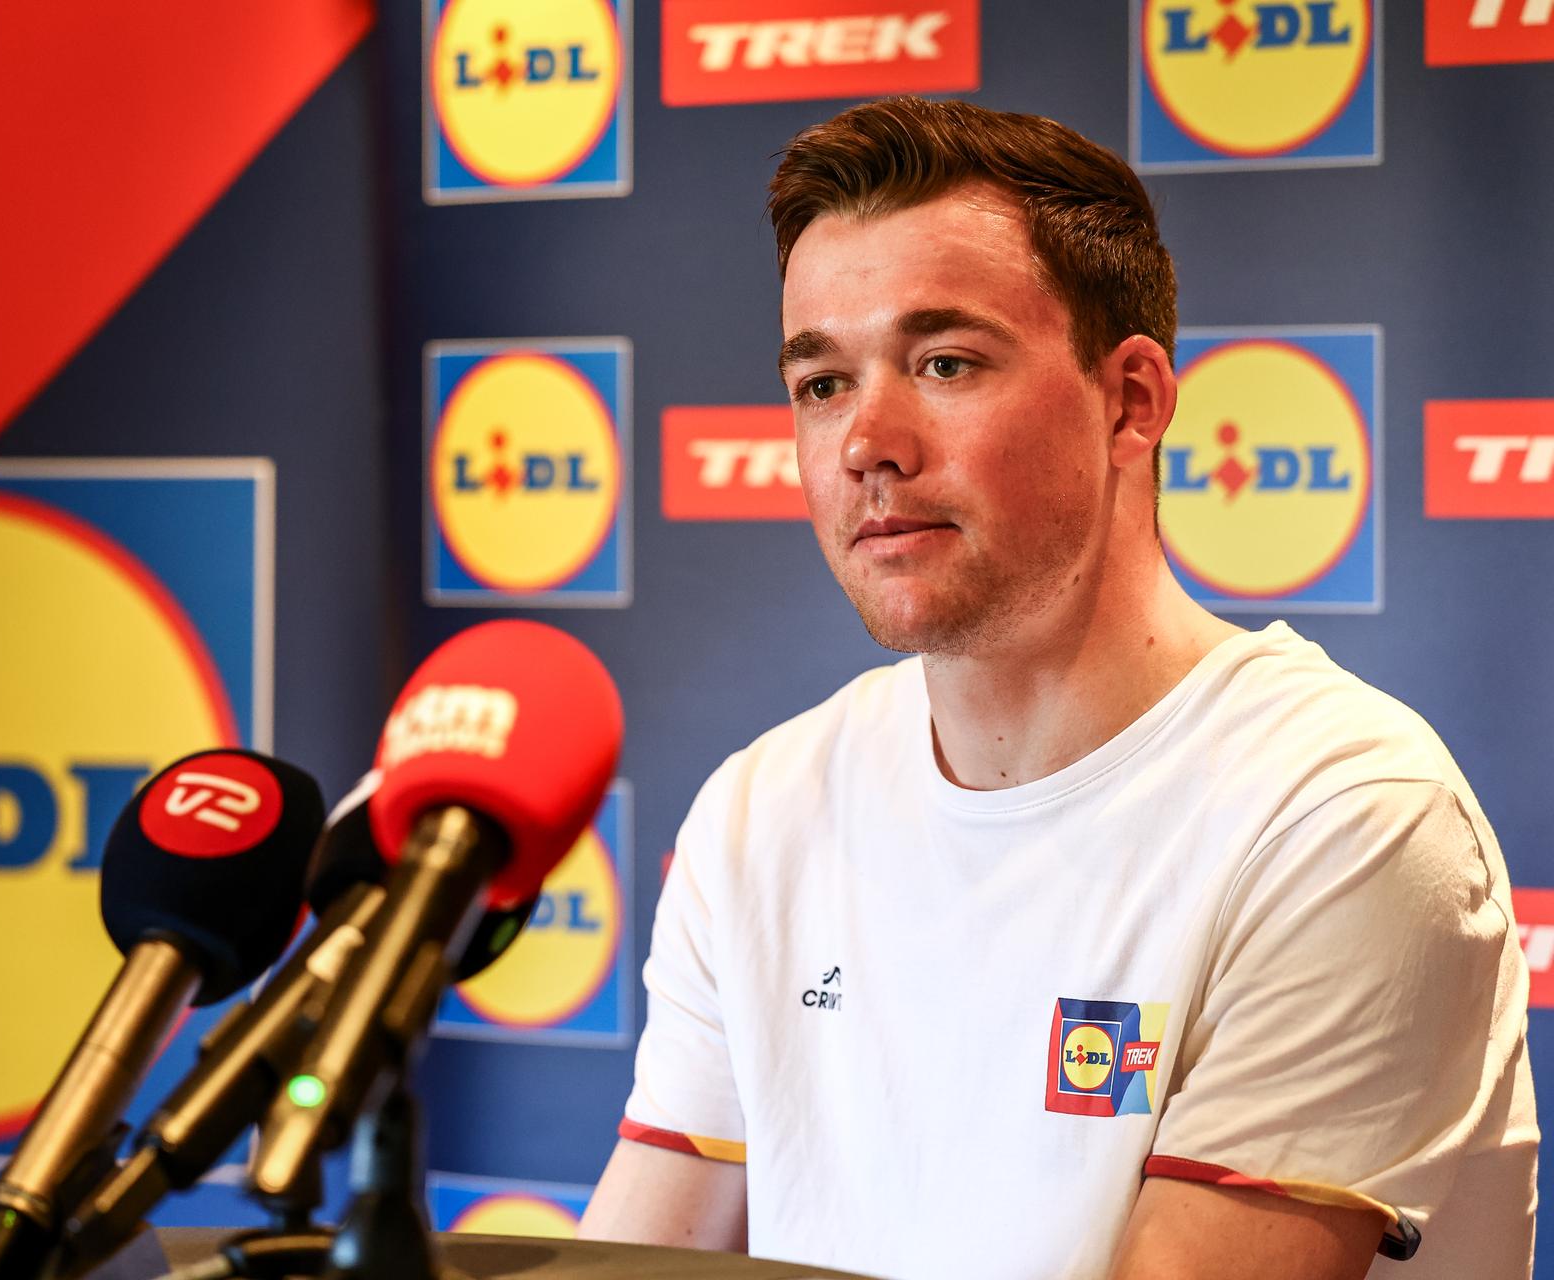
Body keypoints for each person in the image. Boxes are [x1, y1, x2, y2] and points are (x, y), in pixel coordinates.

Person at [577, 97, 1537, 1279]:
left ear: (1131, 400)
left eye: (944, 362)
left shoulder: (1343, 813)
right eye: (822, 382)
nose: (866, 440)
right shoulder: (757, 811)